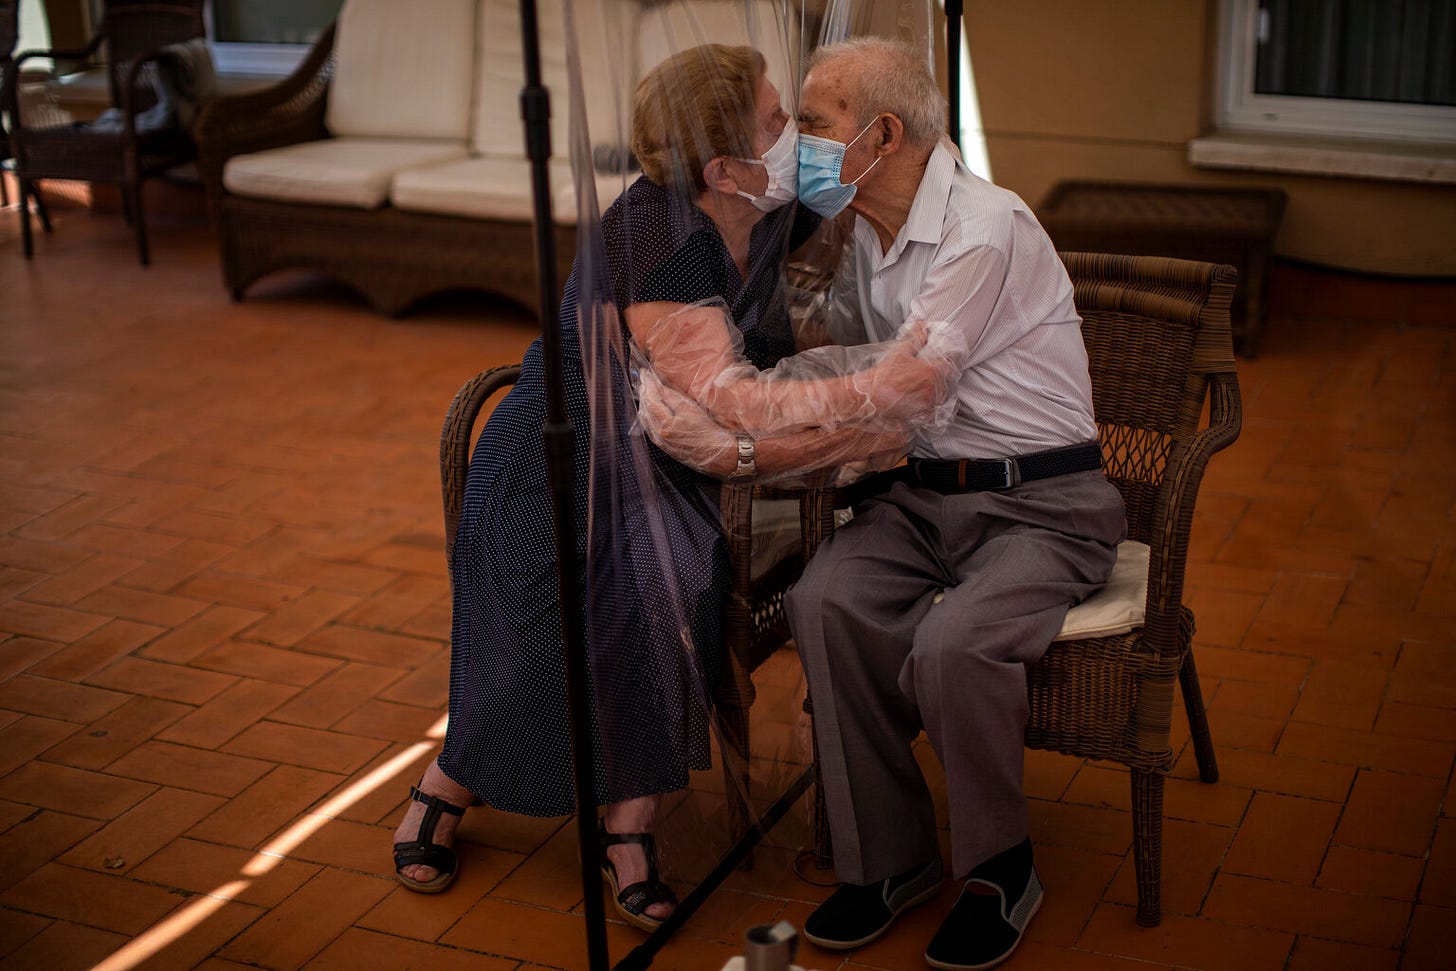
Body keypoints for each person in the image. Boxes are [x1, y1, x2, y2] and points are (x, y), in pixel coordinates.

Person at [391, 42, 947, 932]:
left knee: (672, 591)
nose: (793, 136)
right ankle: (445, 779)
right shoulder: (657, 241)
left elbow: (860, 180)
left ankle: (629, 829)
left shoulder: (763, 207)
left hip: (663, 462)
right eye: (778, 122)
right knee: (553, 623)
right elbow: (734, 401)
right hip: (558, 460)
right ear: (719, 166)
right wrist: (879, 393)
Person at [782, 37, 1128, 970]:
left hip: (1042, 501)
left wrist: (755, 436)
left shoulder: (987, 224)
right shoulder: (860, 227)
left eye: (814, 125)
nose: (798, 144)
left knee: (954, 643)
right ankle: (890, 860)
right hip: (924, 498)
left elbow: (901, 387)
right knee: (823, 601)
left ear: (881, 134)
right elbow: (840, 359)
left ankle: (1001, 867)